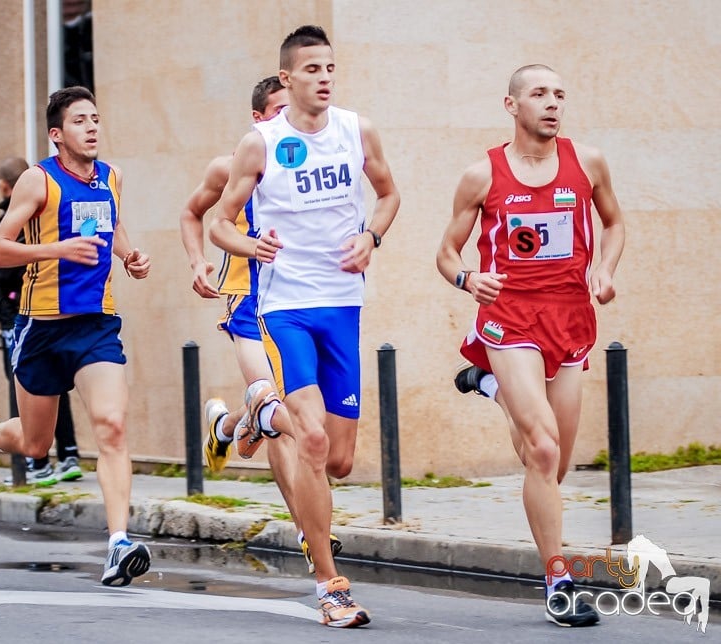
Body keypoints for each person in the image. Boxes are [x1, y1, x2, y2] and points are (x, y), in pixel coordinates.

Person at [210, 26, 399, 628]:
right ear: (287, 79)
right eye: (312, 69)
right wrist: (250, 243)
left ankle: (261, 416)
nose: (324, 77)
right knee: (312, 442)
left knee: (340, 459)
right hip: (283, 307)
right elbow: (218, 222)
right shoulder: (260, 143)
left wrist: (371, 237)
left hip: (342, 307)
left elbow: (390, 195)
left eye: (331, 67)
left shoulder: (356, 130)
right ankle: (331, 586)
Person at [436, 64, 625, 627]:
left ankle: (489, 386)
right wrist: (469, 280)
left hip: (570, 319)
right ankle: (559, 582)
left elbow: (614, 224)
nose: (552, 103)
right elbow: (446, 252)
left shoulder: (587, 163)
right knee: (542, 450)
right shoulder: (482, 176)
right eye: (539, 94)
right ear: (511, 105)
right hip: (509, 319)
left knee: (552, 462)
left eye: (560, 94)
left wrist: (605, 269)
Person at [0, 86, 152, 587]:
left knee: (111, 426)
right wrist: (57, 249)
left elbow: (114, 223)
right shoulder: (37, 181)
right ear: (57, 134)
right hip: (40, 327)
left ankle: (117, 543)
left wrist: (129, 256)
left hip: (96, 326)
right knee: (36, 442)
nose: (92, 128)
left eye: (96, 119)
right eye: (81, 121)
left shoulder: (112, 177)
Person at [179, 75, 341, 573]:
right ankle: (310, 535)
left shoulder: (316, 163)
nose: (284, 120)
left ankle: (227, 426)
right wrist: (197, 262)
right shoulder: (231, 168)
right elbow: (192, 214)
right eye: (275, 111)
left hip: (299, 305)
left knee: (284, 422)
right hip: (246, 302)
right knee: (283, 415)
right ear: (257, 119)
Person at [0, 156, 83, 486]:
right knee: (52, 388)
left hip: (26, 314)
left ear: (3, 186)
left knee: (29, 386)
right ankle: (62, 454)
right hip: (44, 311)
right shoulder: (43, 215)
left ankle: (42, 461)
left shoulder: (14, 221)